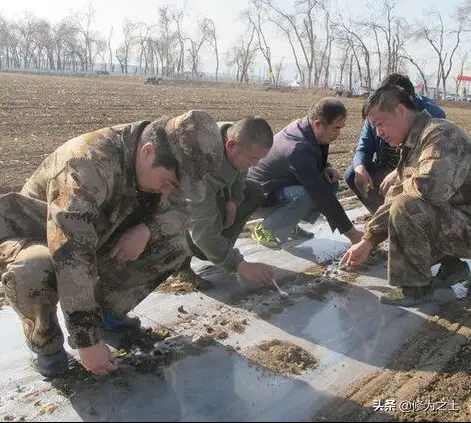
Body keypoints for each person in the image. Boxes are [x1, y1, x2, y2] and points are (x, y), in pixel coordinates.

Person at [0, 110, 223, 377]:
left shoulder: (161, 161)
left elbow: (180, 211)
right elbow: (71, 250)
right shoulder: (87, 165)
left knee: (173, 245)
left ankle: (108, 314)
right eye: (167, 183)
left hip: (97, 231)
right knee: (35, 269)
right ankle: (47, 348)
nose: (167, 192)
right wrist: (86, 340)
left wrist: (147, 229)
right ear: (148, 152)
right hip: (36, 234)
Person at [340, 85, 471, 307]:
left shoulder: (441, 135)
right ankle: (453, 267)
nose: (379, 133)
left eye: (380, 124)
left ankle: (416, 288)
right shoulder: (414, 144)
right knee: (399, 208)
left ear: (400, 110)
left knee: (406, 207)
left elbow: (431, 188)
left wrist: (400, 189)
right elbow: (401, 193)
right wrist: (368, 241)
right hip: (458, 219)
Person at [248, 97, 364, 249]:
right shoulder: (298, 148)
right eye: (336, 128)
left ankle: (287, 223)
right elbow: (319, 193)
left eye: (341, 127)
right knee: (307, 194)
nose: (339, 133)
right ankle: (267, 228)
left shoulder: (310, 130)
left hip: (279, 187)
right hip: (257, 198)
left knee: (329, 182)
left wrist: (325, 167)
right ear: (318, 124)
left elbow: (312, 162)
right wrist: (352, 233)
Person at [173, 117, 275, 288]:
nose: (255, 165)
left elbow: (240, 175)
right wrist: (241, 266)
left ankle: (221, 250)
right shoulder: (203, 169)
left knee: (254, 191)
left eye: (259, 159)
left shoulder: (235, 141)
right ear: (231, 145)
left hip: (210, 196)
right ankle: (181, 264)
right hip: (169, 213)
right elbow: (202, 232)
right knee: (203, 238)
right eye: (252, 159)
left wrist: (233, 201)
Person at [344, 73, 446, 214]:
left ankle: (394, 216)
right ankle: (381, 215)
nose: (378, 132)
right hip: (386, 166)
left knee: (405, 204)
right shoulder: (377, 111)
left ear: (403, 106)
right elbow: (364, 147)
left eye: (380, 124)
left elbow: (429, 166)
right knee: (353, 173)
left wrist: (399, 172)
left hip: (413, 170)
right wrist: (360, 168)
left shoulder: (431, 118)